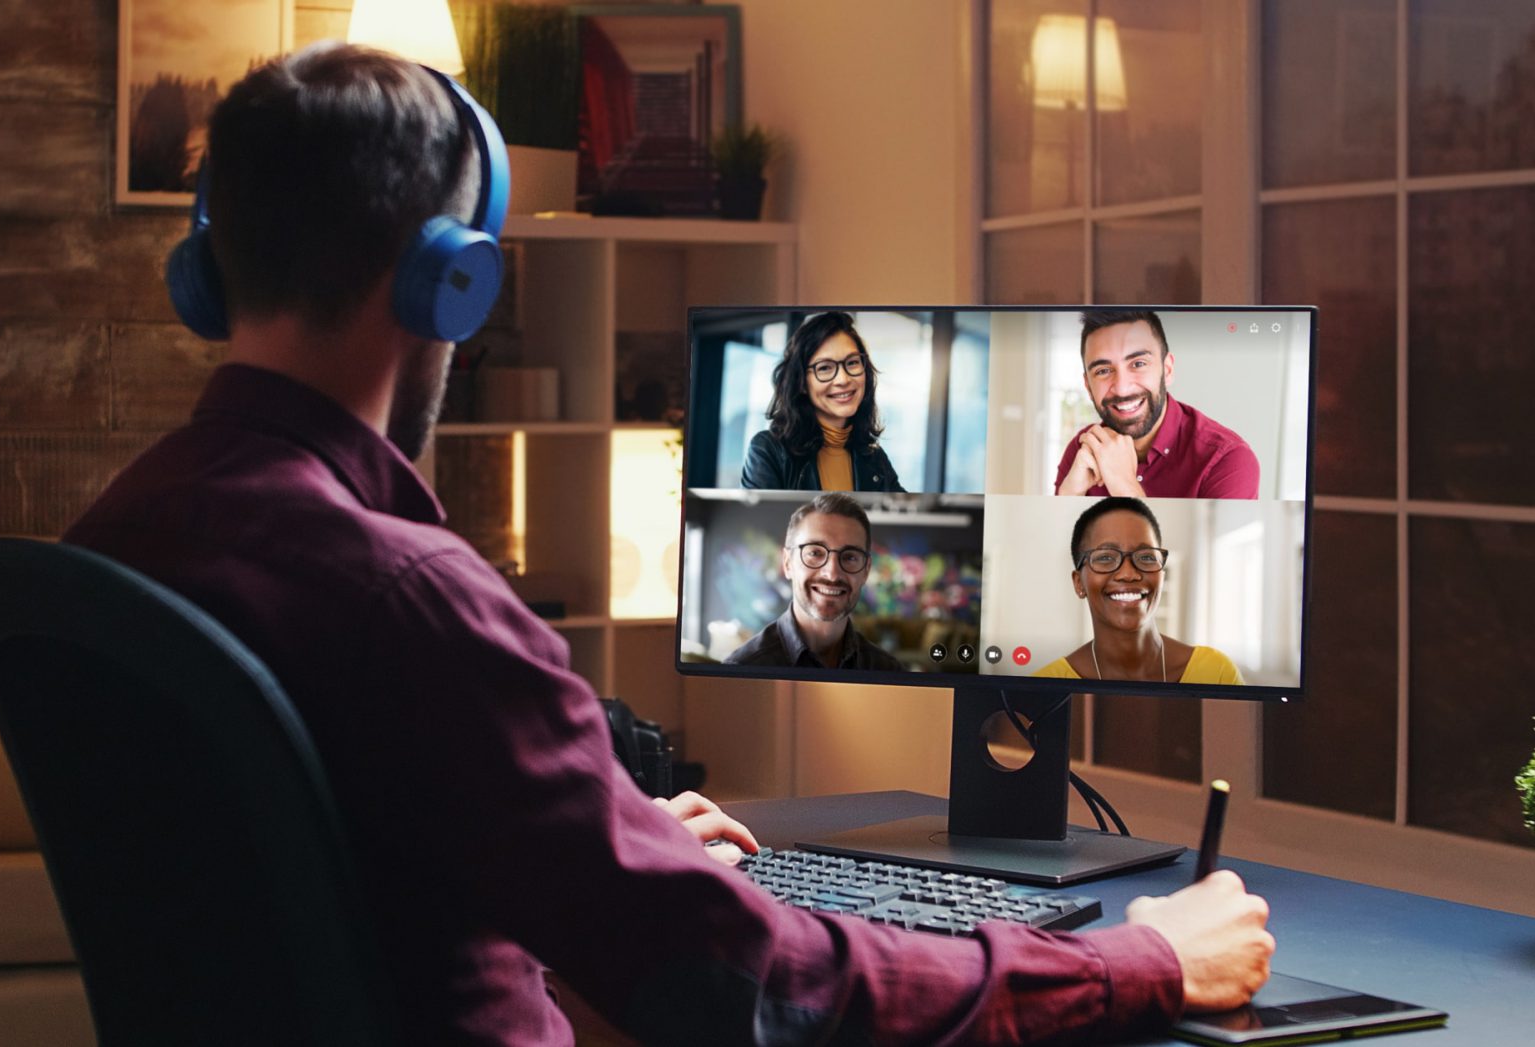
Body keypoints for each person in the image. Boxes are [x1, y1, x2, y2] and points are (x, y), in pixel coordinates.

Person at [67, 44, 1272, 1044]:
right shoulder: (410, 595)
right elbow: (762, 988)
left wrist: (608, 840)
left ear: (205, 275)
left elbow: (333, 870)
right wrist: (1138, 961)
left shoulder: (118, 533)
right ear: (457, 287)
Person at [1034, 497, 1246, 685]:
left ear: (1162, 574)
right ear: (1079, 583)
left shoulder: (1216, 673)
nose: (1128, 574)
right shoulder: (1043, 686)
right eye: (1106, 557)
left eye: (1146, 557)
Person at [1054, 310, 1260, 500]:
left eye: (1138, 364)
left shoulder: (1228, 460)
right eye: (1103, 371)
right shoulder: (1082, 450)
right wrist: (1069, 495)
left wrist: (1124, 486)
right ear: (1088, 386)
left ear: (1167, 369)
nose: (1122, 388)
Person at [723, 493, 905, 671]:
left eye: (849, 557)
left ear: (866, 570)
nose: (832, 574)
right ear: (787, 563)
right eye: (815, 553)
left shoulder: (888, 672)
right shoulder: (742, 671)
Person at [740, 311, 907, 492]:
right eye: (825, 368)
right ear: (801, 382)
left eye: (852, 363)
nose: (843, 379)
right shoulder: (768, 450)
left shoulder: (875, 458)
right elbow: (759, 520)